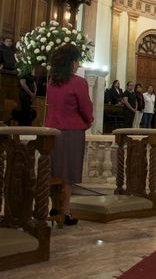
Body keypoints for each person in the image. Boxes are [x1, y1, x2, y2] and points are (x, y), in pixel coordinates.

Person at [45, 44, 94, 226]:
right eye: (76, 60)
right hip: (71, 132)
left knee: (54, 171)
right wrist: (88, 122)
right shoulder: (78, 82)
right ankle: (65, 212)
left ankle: (55, 207)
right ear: (71, 62)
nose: (77, 64)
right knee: (67, 175)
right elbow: (85, 108)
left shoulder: (51, 82)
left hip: (50, 133)